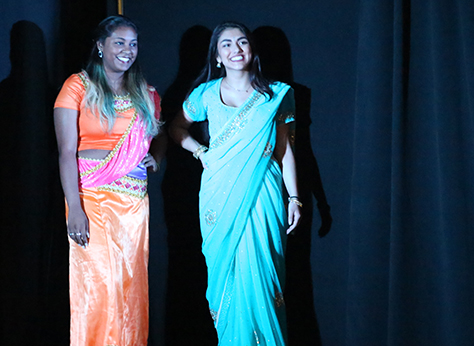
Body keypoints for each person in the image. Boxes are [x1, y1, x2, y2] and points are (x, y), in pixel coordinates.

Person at [169, 21, 301, 345]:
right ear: (217, 56)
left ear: (252, 50)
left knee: (265, 282)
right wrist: (201, 152)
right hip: (219, 195)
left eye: (242, 42)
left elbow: (285, 151)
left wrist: (294, 198)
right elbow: (176, 129)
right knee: (226, 281)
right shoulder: (205, 94)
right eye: (226, 44)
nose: (235, 49)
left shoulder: (276, 95)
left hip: (264, 196)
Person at [53, 15, 162, 346]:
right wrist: (74, 207)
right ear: (100, 46)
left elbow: (159, 133)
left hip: (133, 203)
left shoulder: (145, 92)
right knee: (99, 286)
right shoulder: (77, 86)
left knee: (129, 287)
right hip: (92, 198)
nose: (128, 50)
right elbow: (66, 152)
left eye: (133, 44)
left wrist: (156, 158)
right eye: (119, 42)